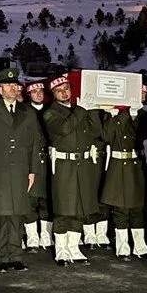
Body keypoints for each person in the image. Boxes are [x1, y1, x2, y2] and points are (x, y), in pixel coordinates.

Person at [0, 68, 43, 272]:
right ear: (0, 89)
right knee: (2, 216)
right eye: (8, 85)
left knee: (18, 215)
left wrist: (33, 170)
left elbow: (35, 144)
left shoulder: (28, 112)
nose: (13, 88)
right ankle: (2, 257)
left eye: (15, 85)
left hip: (22, 170)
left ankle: (16, 256)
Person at [43, 75, 102, 266]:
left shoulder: (79, 110)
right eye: (59, 90)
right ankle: (61, 249)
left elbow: (96, 132)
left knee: (79, 208)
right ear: (53, 95)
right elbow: (65, 129)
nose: (64, 92)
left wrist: (92, 110)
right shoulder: (51, 113)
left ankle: (74, 247)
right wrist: (82, 109)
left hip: (83, 164)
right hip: (64, 166)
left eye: (67, 88)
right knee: (63, 209)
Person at [100, 85, 147, 261]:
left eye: (145, 94)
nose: (142, 97)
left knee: (137, 206)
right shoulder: (112, 115)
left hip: (135, 164)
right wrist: (116, 116)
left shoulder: (145, 116)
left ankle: (139, 244)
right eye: (140, 93)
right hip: (117, 163)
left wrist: (133, 115)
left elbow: (141, 135)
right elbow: (106, 136)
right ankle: (122, 245)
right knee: (120, 206)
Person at [23, 81, 52, 251]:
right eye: (34, 92)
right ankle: (32, 236)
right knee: (31, 198)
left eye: (40, 91)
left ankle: (46, 235)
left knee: (47, 198)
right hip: (31, 159)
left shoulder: (51, 109)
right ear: (29, 94)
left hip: (49, 159)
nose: (38, 94)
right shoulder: (24, 112)